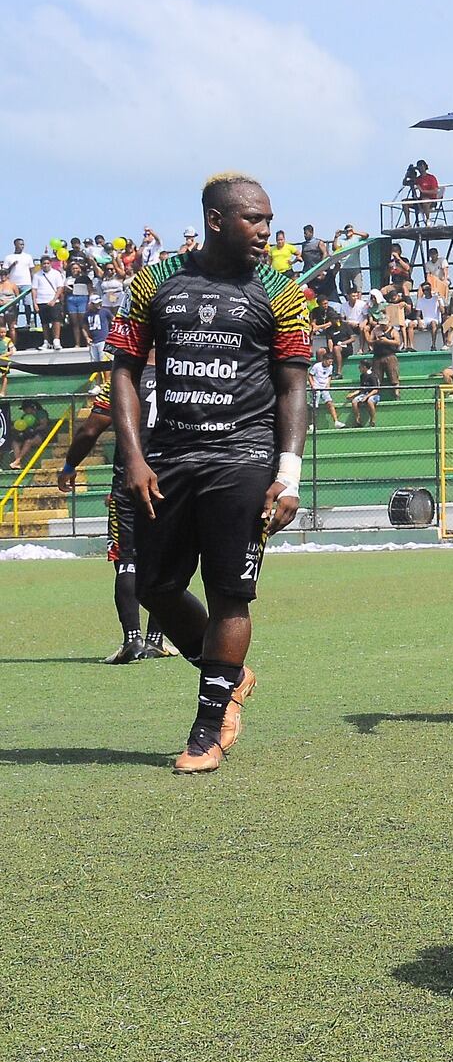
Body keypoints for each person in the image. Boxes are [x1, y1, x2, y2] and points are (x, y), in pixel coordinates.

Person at [108, 172, 313, 773]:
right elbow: (123, 369)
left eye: (270, 222)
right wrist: (135, 457)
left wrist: (289, 472)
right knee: (154, 589)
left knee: (230, 592)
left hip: (243, 459)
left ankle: (207, 730)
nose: (266, 234)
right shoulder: (154, 281)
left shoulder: (281, 291)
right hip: (168, 458)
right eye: (255, 221)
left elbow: (293, 386)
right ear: (216, 220)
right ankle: (230, 676)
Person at [57, 370, 172, 663]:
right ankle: (157, 640)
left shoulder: (124, 379)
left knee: (128, 562)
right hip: (172, 484)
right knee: (166, 563)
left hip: (130, 484)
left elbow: (91, 430)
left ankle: (132, 641)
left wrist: (69, 466)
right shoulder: (180, 373)